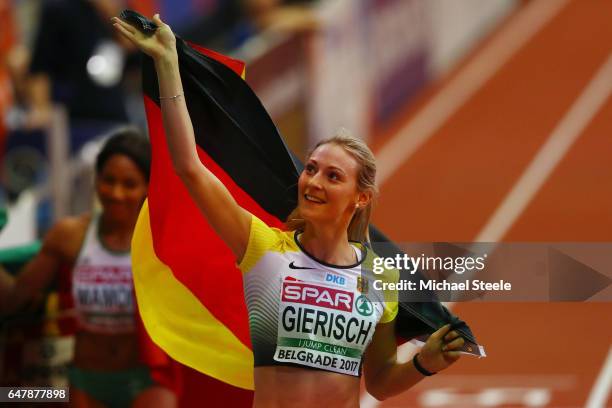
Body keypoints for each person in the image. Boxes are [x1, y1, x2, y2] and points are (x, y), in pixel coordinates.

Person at [111, 14, 465, 406]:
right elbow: (189, 168)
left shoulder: (377, 277)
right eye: (311, 169)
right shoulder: (264, 250)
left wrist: (425, 364)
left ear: (360, 197)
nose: (313, 181)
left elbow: (379, 381)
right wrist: (167, 64)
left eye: (333, 176)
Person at [0, 129, 176, 408]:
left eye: (129, 184)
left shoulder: (165, 242)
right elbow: (13, 300)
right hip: (84, 381)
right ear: (96, 180)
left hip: (148, 378)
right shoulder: (69, 236)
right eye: (109, 181)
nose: (117, 193)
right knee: (11, 398)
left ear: (147, 187)